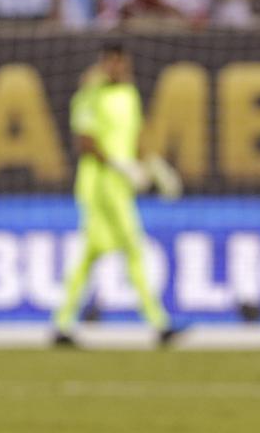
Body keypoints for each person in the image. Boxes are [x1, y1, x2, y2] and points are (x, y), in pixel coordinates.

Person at [53, 44, 176, 347]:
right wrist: (120, 166)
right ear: (104, 64)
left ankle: (62, 324)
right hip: (98, 183)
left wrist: (155, 167)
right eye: (115, 64)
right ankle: (159, 323)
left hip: (120, 184)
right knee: (133, 246)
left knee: (90, 255)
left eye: (124, 64)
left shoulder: (129, 95)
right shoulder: (90, 95)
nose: (120, 69)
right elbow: (84, 142)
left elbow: (134, 139)